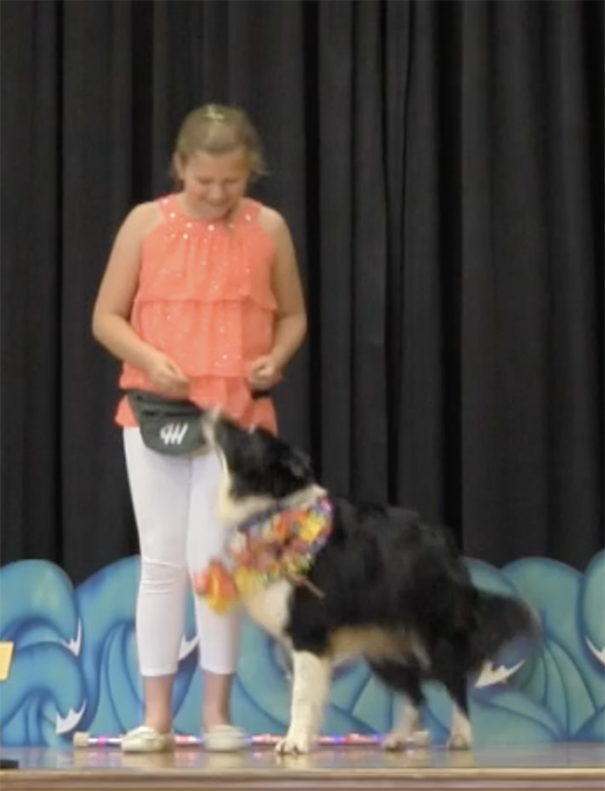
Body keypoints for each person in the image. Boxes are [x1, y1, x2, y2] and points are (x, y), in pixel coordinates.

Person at [92, 103, 307, 753]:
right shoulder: (144, 224)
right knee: (161, 560)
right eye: (203, 181)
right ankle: (155, 715)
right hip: (155, 414)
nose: (216, 194)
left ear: (250, 173)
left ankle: (217, 712)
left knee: (214, 561)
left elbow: (293, 315)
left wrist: (276, 356)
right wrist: (149, 358)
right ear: (179, 167)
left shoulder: (269, 227)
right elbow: (106, 316)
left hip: (235, 418)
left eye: (231, 182)